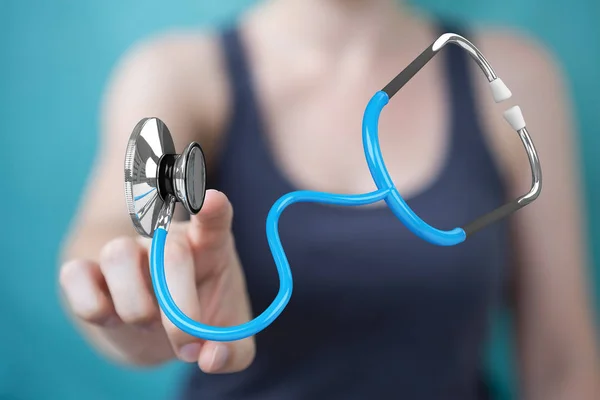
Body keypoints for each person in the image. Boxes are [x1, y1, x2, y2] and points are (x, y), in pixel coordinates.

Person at [58, 0, 600, 398]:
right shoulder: (179, 74)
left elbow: (563, 364)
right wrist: (136, 296)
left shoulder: (517, 79)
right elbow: (109, 230)